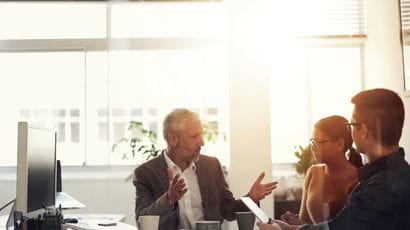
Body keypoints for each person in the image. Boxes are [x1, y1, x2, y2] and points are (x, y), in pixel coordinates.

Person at [258, 88, 410, 230]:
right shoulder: (397, 174)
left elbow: (336, 228)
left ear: (363, 130)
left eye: (351, 124)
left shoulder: (380, 187)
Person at [133, 108, 278, 230]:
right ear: (173, 139)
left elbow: (228, 210)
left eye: (201, 135)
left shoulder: (212, 166)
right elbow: (142, 220)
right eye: (194, 136)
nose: (201, 142)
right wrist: (169, 199)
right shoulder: (146, 173)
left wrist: (251, 198)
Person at [281, 115, 362, 225]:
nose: (312, 148)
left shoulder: (358, 181)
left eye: (318, 142)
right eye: (312, 142)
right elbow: (306, 223)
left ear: (340, 144)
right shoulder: (314, 173)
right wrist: (292, 223)